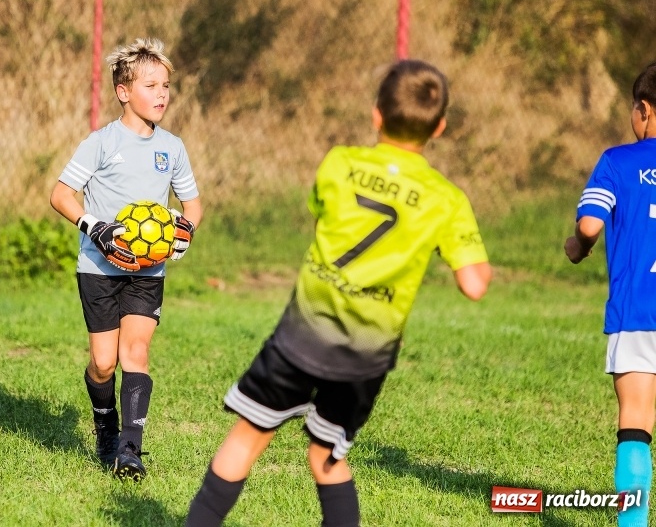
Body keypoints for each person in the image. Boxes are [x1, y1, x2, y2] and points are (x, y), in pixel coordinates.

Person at [185, 59, 492, 526]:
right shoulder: (446, 199)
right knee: (326, 456)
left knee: (247, 438)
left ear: (376, 114)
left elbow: (321, 215)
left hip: (300, 336)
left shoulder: (339, 163)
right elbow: (474, 284)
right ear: (441, 127)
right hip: (365, 356)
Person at [50, 37, 202, 482]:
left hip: (147, 270)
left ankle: (129, 452)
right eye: (151, 85)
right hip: (99, 268)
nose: (161, 94)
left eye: (166, 85)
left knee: (136, 351)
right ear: (123, 92)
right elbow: (61, 195)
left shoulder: (172, 147)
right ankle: (105, 426)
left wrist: (185, 232)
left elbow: (191, 204)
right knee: (103, 362)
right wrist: (94, 227)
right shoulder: (100, 143)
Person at [564, 62, 656, 527]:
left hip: (640, 311)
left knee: (637, 420)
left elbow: (589, 224)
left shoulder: (619, 161)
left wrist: (577, 248)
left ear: (642, 110)